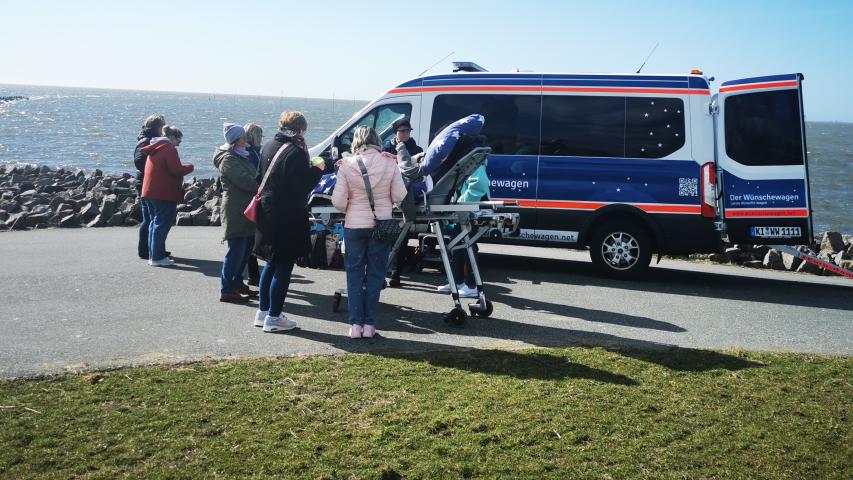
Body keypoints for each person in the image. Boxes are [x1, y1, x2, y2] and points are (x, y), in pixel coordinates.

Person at [254, 111, 325, 332]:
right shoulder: (294, 152)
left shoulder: (268, 146)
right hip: (287, 215)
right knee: (284, 265)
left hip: (267, 211)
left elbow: (259, 178)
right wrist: (317, 170)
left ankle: (263, 311)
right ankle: (274, 318)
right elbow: (301, 187)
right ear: (300, 129)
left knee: (270, 263)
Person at [333, 126, 406, 339]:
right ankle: (370, 326)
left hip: (354, 226)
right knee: (375, 275)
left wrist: (353, 208)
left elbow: (338, 201)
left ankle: (355, 326)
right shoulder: (390, 161)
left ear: (356, 141)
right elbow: (399, 195)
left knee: (354, 275)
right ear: (376, 140)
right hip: (380, 225)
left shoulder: (346, 164)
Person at [214, 123, 259, 303]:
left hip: (245, 208)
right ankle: (226, 289)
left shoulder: (241, 155)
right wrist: (263, 188)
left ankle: (238, 284)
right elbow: (245, 181)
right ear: (238, 139)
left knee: (246, 250)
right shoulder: (228, 159)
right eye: (243, 137)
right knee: (236, 251)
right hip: (236, 209)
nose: (246, 139)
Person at [140, 125, 193, 266]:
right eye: (179, 140)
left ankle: (154, 255)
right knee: (162, 224)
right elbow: (176, 170)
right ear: (172, 137)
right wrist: (190, 167)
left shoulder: (155, 147)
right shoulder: (169, 149)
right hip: (163, 193)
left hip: (149, 192)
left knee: (154, 223)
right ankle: (157, 257)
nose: (179, 143)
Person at [437, 161, 490, 297]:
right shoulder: (467, 163)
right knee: (456, 245)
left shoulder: (476, 163)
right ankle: (458, 281)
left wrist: (461, 203)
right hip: (465, 209)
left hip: (472, 209)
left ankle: (472, 286)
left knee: (468, 246)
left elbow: (480, 185)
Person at [133, 114, 166, 259]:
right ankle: (145, 251)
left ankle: (154, 249)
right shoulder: (145, 141)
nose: (164, 129)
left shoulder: (149, 140)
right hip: (145, 183)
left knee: (152, 219)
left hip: (147, 183)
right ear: (157, 127)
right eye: (163, 126)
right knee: (149, 219)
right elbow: (139, 161)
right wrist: (155, 169)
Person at [243, 123, 264, 287]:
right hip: (252, 198)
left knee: (250, 238)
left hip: (250, 198)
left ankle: (253, 274)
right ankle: (253, 275)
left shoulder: (249, 152)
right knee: (251, 238)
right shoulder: (251, 154)